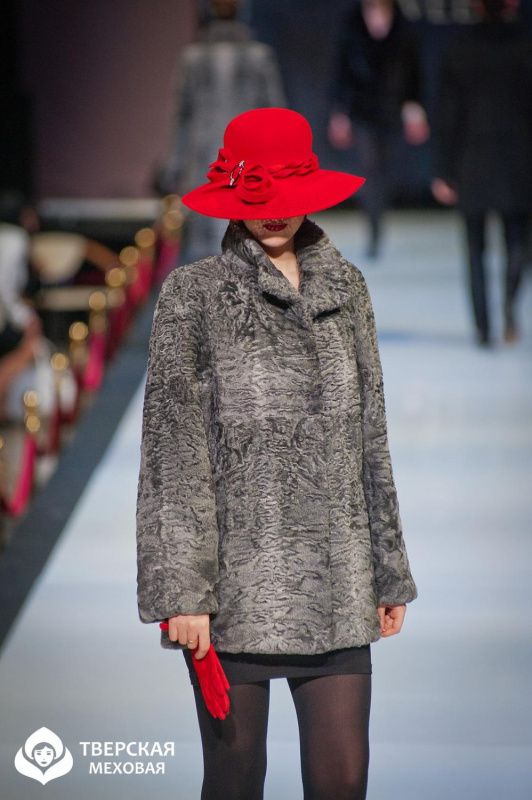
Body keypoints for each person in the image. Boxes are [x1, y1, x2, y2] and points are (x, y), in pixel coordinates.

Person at [136, 107, 418, 800]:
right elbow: (173, 454)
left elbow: (371, 437)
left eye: (287, 196)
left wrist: (388, 570)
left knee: (343, 782)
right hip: (234, 595)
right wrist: (183, 593)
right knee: (235, 783)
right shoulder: (195, 297)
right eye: (260, 197)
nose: (274, 213)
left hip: (339, 584)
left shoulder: (346, 290)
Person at [431, 0, 532, 347]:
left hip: (471, 161)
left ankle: (483, 329)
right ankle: (509, 307)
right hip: (518, 161)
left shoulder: (460, 49)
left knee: (475, 249)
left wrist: (443, 170)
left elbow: (447, 114)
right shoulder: (525, 46)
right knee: (517, 243)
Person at [155, 0, 286, 264]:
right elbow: (277, 116)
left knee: (206, 250)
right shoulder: (259, 57)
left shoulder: (193, 58)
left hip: (203, 163)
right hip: (246, 161)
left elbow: (182, 118)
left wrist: (174, 166)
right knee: (245, 246)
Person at [328, 0, 429, 258]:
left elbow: (413, 72)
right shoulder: (352, 27)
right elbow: (342, 73)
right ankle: (374, 229)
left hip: (392, 111)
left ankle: (378, 221)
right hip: (363, 112)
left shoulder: (404, 29)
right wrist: (340, 113)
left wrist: (414, 106)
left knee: (384, 171)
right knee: (370, 170)